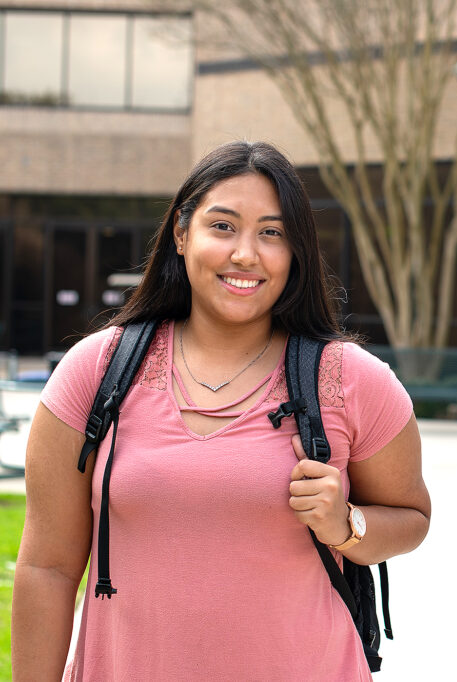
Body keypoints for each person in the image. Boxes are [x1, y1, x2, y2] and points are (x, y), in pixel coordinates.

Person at [12, 140, 431, 681]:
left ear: (296, 251)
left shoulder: (353, 380)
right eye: (223, 226)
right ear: (182, 235)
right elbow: (46, 567)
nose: (246, 254)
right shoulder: (95, 372)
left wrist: (344, 523)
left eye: (272, 233)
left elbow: (412, 519)